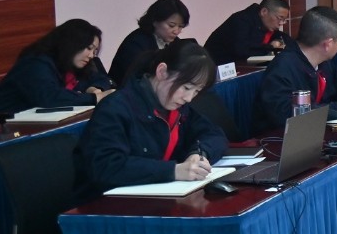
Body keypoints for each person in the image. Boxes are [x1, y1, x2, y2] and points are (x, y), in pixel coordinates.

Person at [75, 39, 227, 197]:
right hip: (108, 203)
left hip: (156, 197)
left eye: (196, 91)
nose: (189, 98)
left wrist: (198, 154)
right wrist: (174, 171)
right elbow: (106, 166)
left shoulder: (177, 108)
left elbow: (214, 134)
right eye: (186, 87)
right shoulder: (115, 108)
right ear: (162, 72)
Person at [255, 5, 337, 132]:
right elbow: (289, 114)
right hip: (282, 138)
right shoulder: (282, 68)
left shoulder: (324, 62)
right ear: (327, 44)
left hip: (316, 131)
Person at [0, 19, 113, 113]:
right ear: (72, 43)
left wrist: (94, 88)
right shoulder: (35, 63)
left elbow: (102, 79)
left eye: (95, 51)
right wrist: (94, 98)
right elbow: (50, 98)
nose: (91, 55)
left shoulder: (74, 64)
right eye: (89, 48)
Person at [108, 0, 191, 81]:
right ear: (155, 21)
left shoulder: (176, 44)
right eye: (171, 25)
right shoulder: (136, 43)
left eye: (181, 26)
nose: (176, 31)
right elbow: (136, 79)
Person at [204, 0, 292, 65]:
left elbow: (282, 38)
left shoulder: (266, 24)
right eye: (279, 18)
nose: (281, 23)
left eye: (284, 20)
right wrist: (270, 47)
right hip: (214, 67)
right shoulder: (241, 21)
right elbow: (242, 51)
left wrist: (279, 43)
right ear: (264, 12)